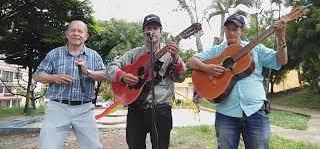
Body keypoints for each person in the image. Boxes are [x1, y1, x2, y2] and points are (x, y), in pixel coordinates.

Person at [188, 13, 287, 149]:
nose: (231, 32)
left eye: (235, 29)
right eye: (228, 29)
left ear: (243, 31)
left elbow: (281, 60)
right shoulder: (217, 51)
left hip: (255, 110)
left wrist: (281, 37)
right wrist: (207, 68)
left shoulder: (255, 48)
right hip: (226, 114)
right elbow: (192, 61)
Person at [106, 14, 187, 149]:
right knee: (134, 145)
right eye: (149, 28)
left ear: (160, 32)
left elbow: (181, 77)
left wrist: (176, 58)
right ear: (144, 31)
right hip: (136, 109)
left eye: (155, 28)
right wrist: (122, 75)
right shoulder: (133, 54)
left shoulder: (170, 55)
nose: (152, 31)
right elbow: (110, 68)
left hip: (160, 109)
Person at [33, 20, 107, 149]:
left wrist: (87, 72)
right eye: (72, 30)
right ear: (66, 34)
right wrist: (54, 77)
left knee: (92, 146)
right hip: (57, 107)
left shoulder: (94, 56)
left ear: (86, 36)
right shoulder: (54, 54)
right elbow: (37, 75)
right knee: (47, 146)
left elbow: (106, 75)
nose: (76, 34)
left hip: (84, 108)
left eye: (80, 31)